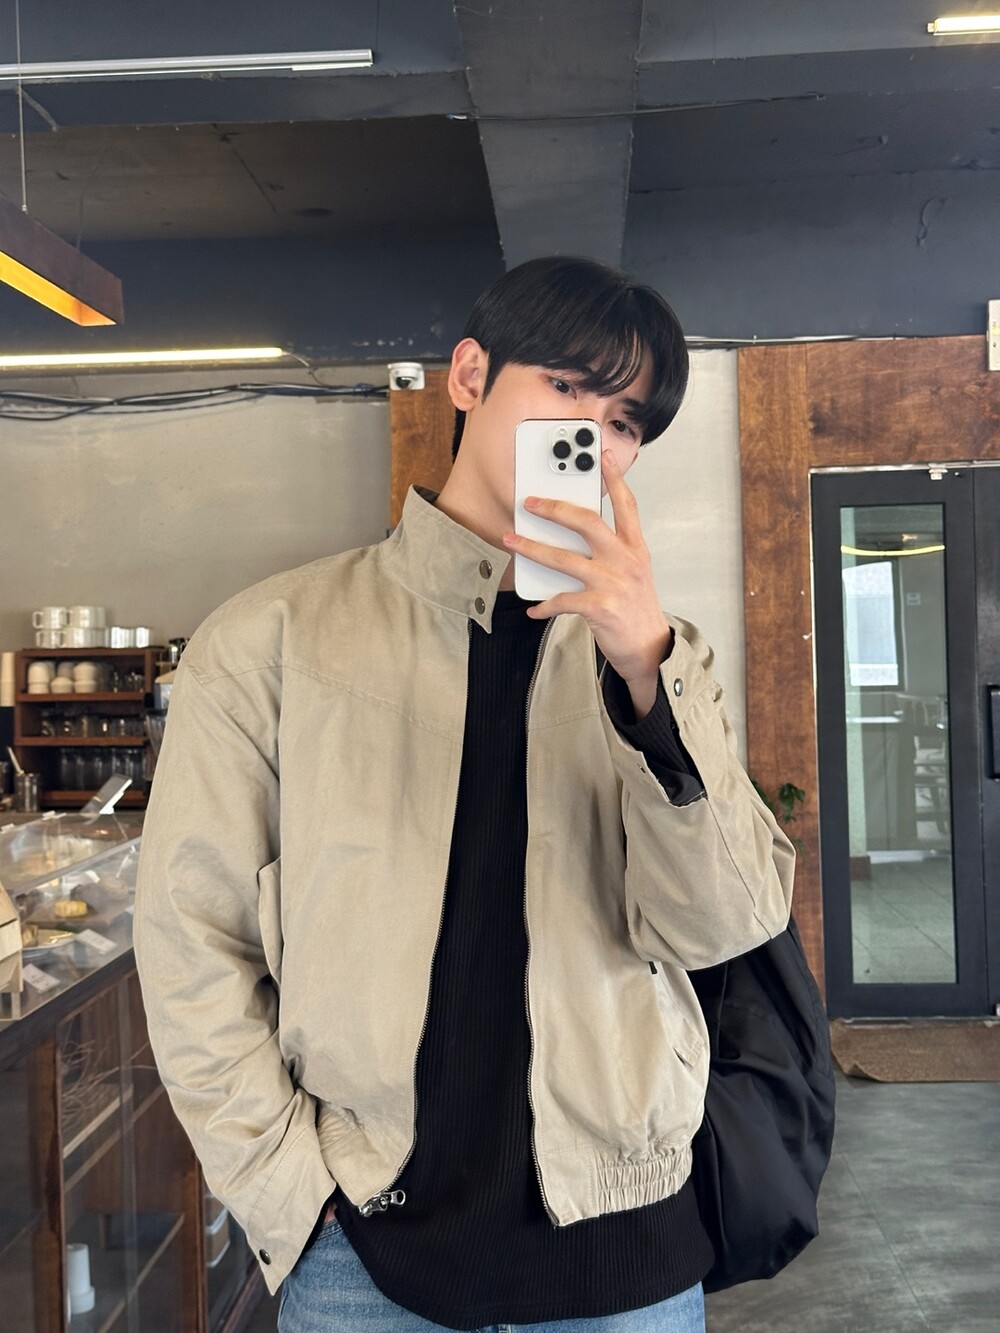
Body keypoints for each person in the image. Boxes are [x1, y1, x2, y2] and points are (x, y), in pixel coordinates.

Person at [134, 256, 794, 1333]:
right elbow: (190, 939)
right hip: (364, 1251)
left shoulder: (661, 661)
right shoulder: (270, 642)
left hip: (622, 1249)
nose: (594, 434)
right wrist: (292, 1192)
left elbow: (723, 924)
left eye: (625, 420)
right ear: (470, 375)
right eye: (567, 387)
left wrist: (646, 670)